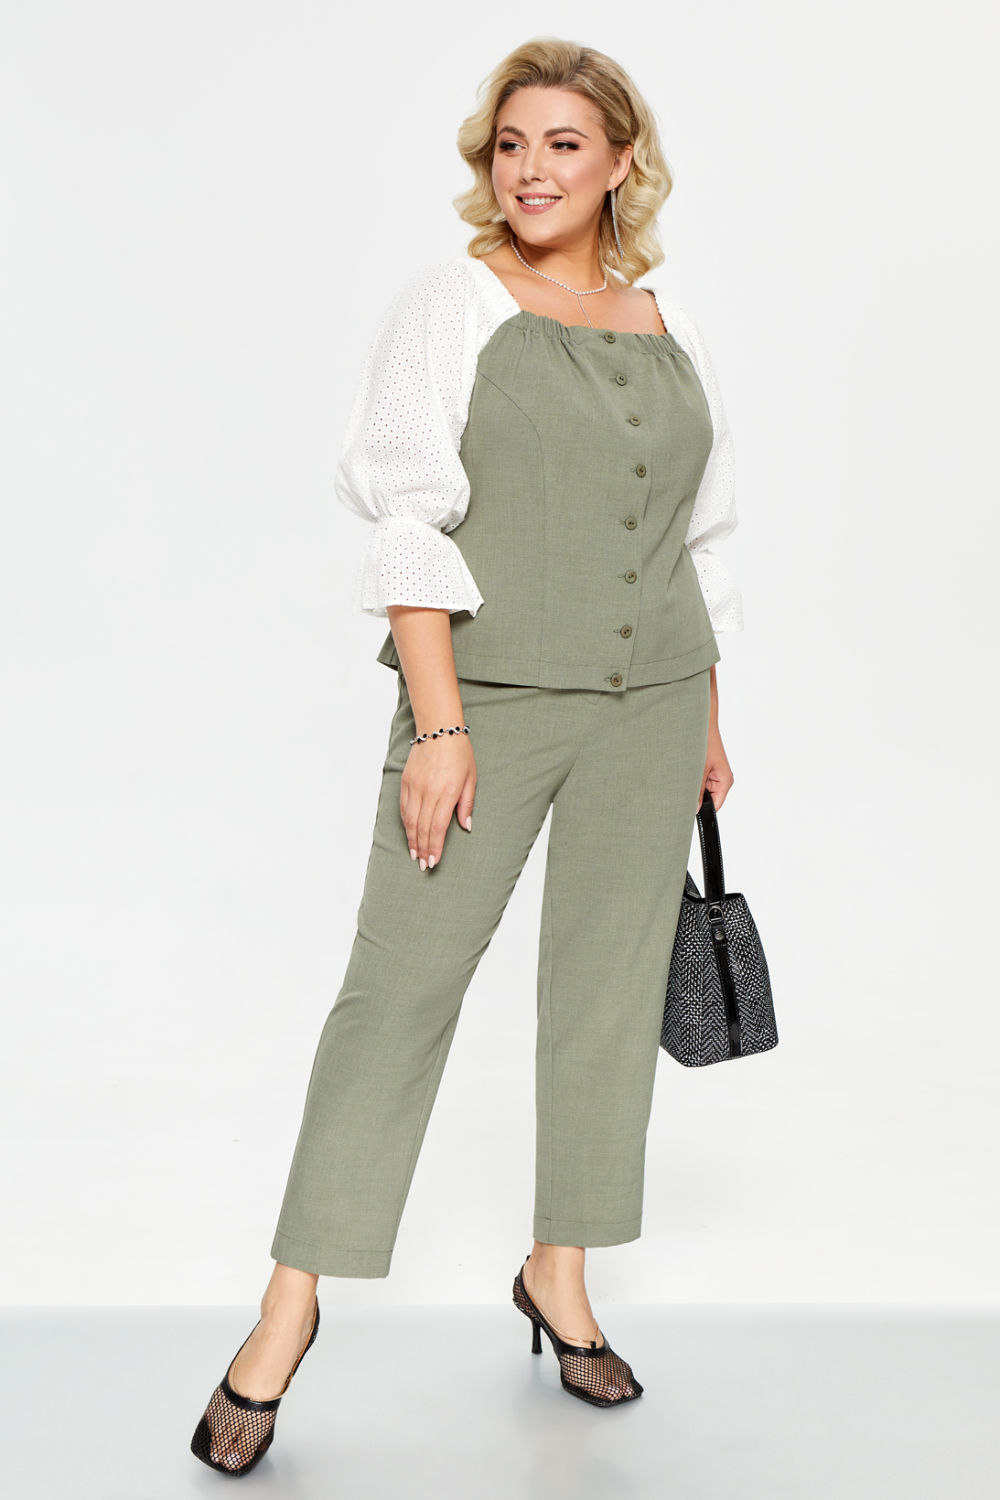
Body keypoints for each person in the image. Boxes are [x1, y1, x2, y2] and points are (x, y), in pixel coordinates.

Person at [191, 35, 743, 1474]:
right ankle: (288, 1307)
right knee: (399, 994)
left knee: (606, 997)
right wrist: (440, 727)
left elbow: (697, 537)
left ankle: (559, 1273)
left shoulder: (664, 318)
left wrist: (706, 716)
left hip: (653, 702)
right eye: (510, 144)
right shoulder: (454, 305)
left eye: (564, 143)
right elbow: (406, 517)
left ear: (622, 160)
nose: (532, 170)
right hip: (487, 698)